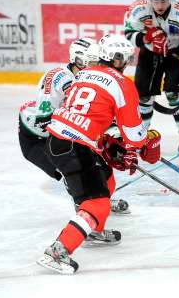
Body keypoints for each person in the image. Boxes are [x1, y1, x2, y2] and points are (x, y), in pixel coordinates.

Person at [36, 34, 162, 274]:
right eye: (126, 59)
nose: (127, 63)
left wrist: (105, 140)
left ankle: (92, 229)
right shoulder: (122, 83)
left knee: (106, 176)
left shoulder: (83, 74)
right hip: (75, 146)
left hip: (56, 139)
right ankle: (57, 251)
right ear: (118, 59)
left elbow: (89, 112)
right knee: (98, 203)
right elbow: (134, 136)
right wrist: (146, 143)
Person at [18, 39, 130, 214]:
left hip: (64, 132)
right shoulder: (57, 77)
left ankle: (99, 201)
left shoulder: (88, 77)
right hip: (37, 137)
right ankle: (85, 211)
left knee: (98, 168)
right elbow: (43, 119)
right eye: (93, 62)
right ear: (79, 60)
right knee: (71, 170)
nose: (98, 66)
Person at [124, 0, 179, 166]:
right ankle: (140, 136)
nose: (159, 5)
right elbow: (128, 33)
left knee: (176, 94)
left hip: (177, 52)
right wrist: (145, 38)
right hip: (150, 53)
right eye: (156, 1)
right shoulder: (138, 10)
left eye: (163, 0)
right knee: (142, 96)